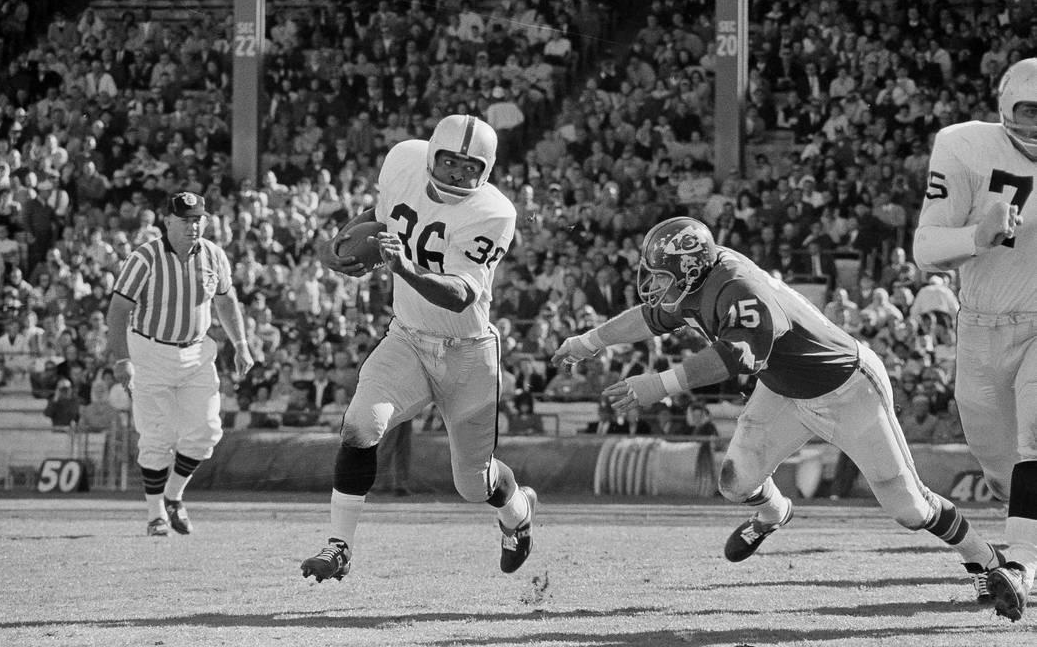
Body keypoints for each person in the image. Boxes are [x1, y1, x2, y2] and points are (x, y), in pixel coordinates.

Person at [553, 216, 999, 603]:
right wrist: (589, 341)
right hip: (784, 388)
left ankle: (985, 561)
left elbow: (737, 358)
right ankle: (773, 512)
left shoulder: (737, 286)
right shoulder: (697, 281)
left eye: (662, 277)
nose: (654, 287)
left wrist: (660, 384)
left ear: (689, 269)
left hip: (844, 387)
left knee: (910, 510)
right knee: (735, 481)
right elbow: (648, 318)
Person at [300, 114, 537, 583]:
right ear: (431, 155)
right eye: (450, 162)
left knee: (473, 484)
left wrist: (404, 269)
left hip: (468, 352)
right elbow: (383, 215)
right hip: (406, 336)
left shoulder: (494, 213)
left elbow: (461, 293)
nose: (458, 175)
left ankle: (518, 513)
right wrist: (344, 242)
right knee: (360, 425)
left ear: (486, 171)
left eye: (471, 168)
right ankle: (339, 545)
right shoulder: (403, 160)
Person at [913, 57, 1037, 621]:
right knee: (1001, 464)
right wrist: (977, 235)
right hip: (982, 323)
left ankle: (1021, 568)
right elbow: (926, 251)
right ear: (1006, 106)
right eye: (1031, 109)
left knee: (1035, 444)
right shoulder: (963, 146)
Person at [106, 192, 254, 537]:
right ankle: (156, 513)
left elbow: (227, 300)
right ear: (168, 221)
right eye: (186, 219)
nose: (194, 225)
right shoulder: (144, 258)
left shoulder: (214, 255)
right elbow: (117, 311)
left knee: (206, 432)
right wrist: (121, 359)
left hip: (197, 351)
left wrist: (241, 344)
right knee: (158, 435)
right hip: (150, 352)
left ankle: (173, 496)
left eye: (199, 218)